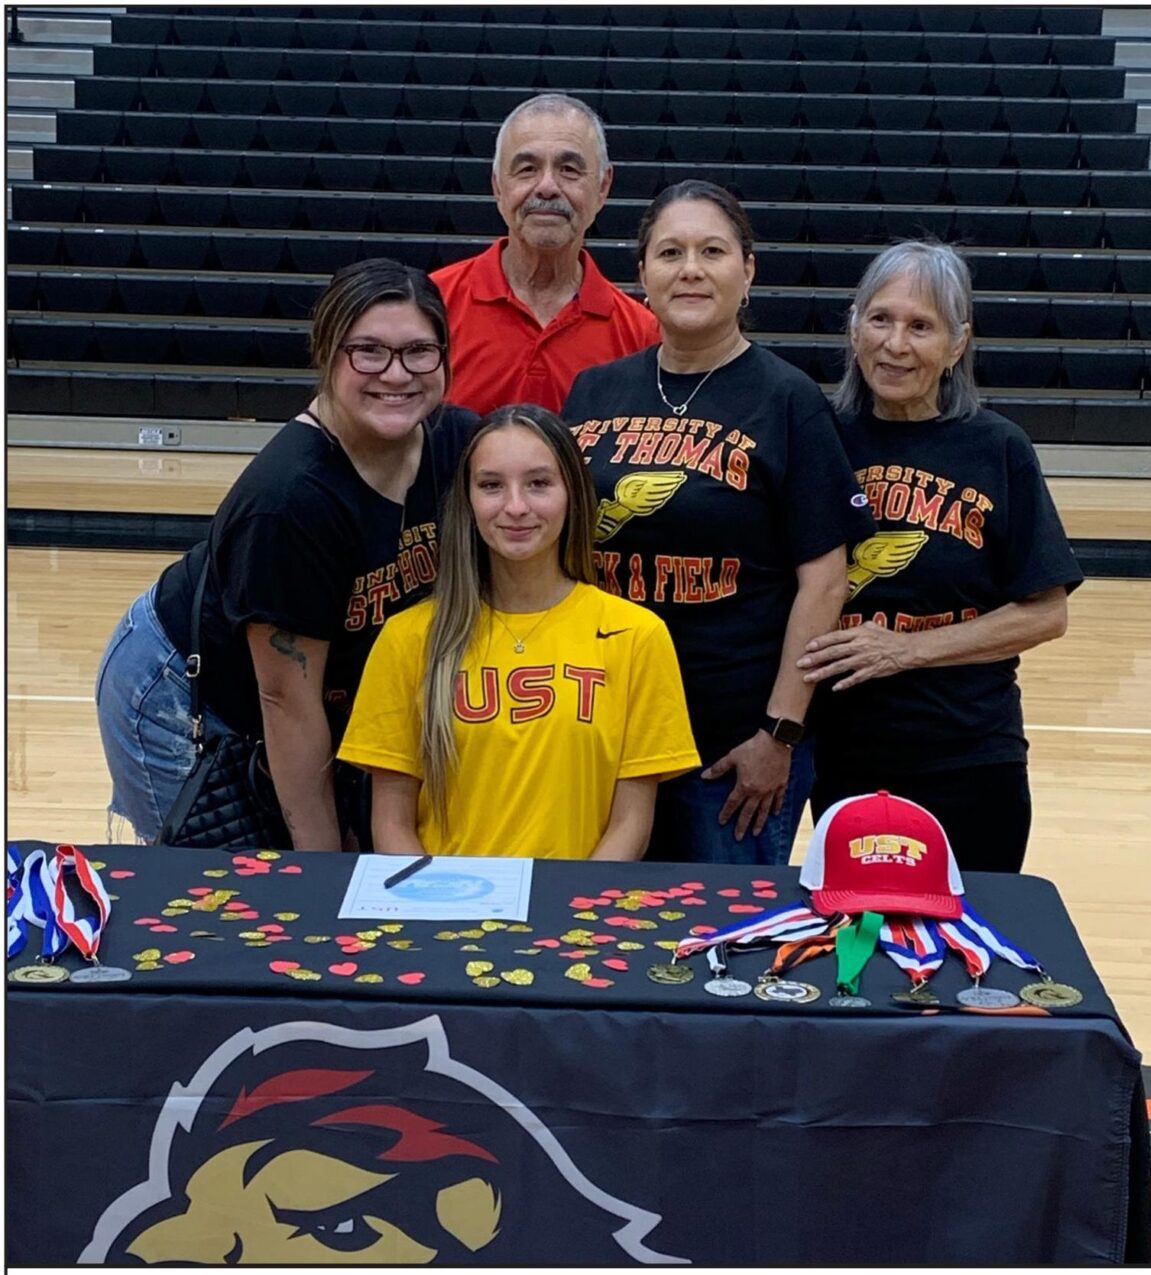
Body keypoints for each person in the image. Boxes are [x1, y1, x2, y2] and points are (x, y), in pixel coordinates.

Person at [95, 259, 477, 849]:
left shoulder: (456, 443)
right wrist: (317, 871)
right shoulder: (290, 501)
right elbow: (286, 703)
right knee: (225, 884)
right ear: (327, 353)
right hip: (180, 687)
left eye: (419, 351)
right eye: (368, 351)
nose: (397, 374)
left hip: (297, 687)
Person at [562, 181, 874, 866]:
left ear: (748, 270)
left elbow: (825, 582)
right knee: (597, 918)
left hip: (732, 743)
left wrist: (779, 733)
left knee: (722, 927)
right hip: (604, 725)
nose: (691, 270)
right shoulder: (594, 390)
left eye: (712, 251)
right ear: (643, 273)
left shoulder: (788, 398)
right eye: (670, 252)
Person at [797, 240, 1083, 872]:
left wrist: (906, 650)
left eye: (920, 326)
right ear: (854, 328)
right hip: (846, 753)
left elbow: (1047, 613)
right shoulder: (819, 437)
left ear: (957, 344)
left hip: (969, 752)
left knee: (970, 925)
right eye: (880, 319)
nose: (895, 344)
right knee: (862, 923)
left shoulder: (998, 448)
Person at [338, 405, 699, 859]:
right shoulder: (407, 638)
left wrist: (573, 900)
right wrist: (437, 899)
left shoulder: (636, 636)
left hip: (575, 898)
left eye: (538, 483)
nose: (515, 507)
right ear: (467, 500)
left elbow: (631, 823)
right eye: (491, 485)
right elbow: (392, 823)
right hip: (446, 897)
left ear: (572, 493)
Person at [432, 93, 658, 416]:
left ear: (603, 187)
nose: (547, 187)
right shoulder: (433, 307)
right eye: (527, 169)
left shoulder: (642, 335)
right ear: (497, 186)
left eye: (569, 169)